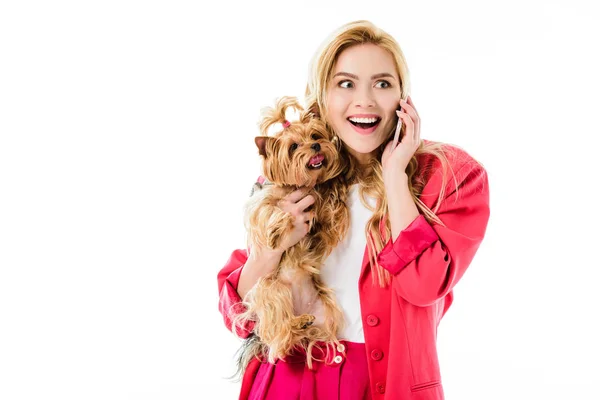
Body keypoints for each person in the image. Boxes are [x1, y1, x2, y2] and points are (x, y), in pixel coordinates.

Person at [217, 20, 490, 400]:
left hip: (385, 384)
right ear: (322, 97)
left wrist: (395, 174)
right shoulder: (296, 177)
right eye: (346, 83)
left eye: (382, 83)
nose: (365, 100)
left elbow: (425, 285)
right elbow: (239, 318)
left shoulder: (448, 176)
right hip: (287, 378)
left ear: (403, 97)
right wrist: (269, 252)